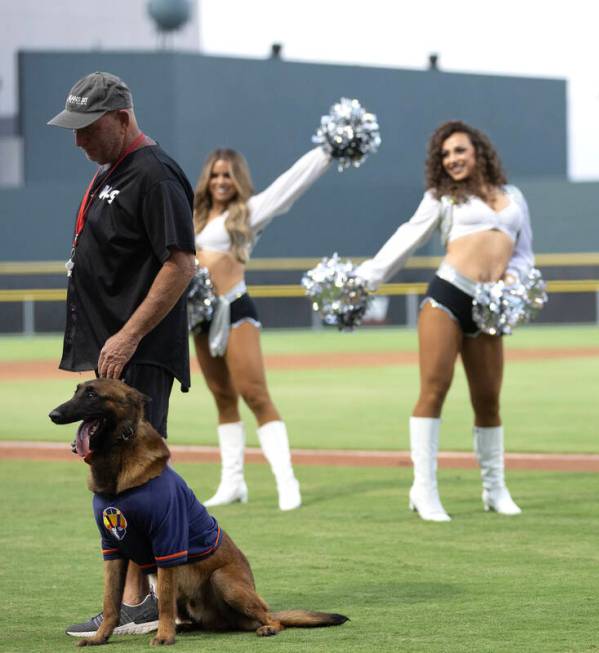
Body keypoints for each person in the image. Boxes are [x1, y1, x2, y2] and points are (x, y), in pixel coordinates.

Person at [47, 72, 196, 635]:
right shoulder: (114, 171)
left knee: (138, 476)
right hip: (112, 356)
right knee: (113, 471)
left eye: (88, 129)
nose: (78, 141)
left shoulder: (155, 175)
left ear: (122, 119)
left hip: (136, 354)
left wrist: (129, 334)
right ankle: (139, 598)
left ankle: (139, 601)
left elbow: (181, 263)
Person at [356, 121, 534, 522]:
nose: (452, 159)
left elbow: (523, 254)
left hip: (490, 305)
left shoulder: (514, 197)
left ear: (479, 152)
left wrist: (514, 280)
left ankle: (495, 488)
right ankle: (424, 488)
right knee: (434, 390)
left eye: (459, 151)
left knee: (488, 399)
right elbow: (408, 236)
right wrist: (367, 277)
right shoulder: (443, 197)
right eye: (445, 155)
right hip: (448, 295)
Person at [192, 145, 332, 511]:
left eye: (228, 175)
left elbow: (290, 185)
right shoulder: (193, 217)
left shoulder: (249, 213)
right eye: (216, 175)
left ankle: (287, 481)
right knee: (222, 398)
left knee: (255, 394)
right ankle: (232, 483)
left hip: (235, 308)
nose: (221, 181)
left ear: (238, 180)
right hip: (199, 317)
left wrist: (328, 151)